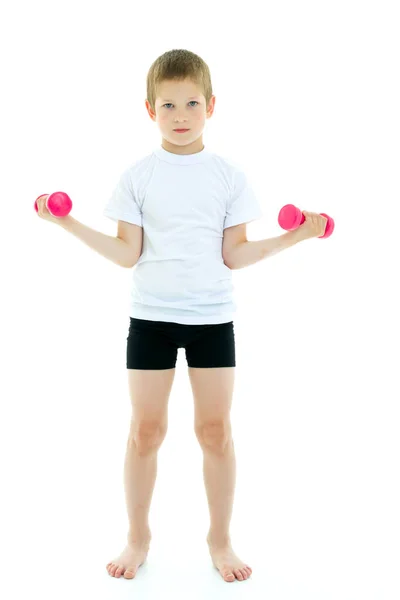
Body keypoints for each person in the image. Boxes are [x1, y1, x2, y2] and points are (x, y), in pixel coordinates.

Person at [35, 49, 327, 583]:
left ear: (211, 105)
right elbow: (128, 254)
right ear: (150, 110)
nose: (180, 113)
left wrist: (298, 235)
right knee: (145, 432)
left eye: (191, 102)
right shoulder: (138, 177)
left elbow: (234, 255)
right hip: (150, 318)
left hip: (212, 319)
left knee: (215, 431)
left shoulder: (229, 176)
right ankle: (138, 537)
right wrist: (66, 224)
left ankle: (220, 540)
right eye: (168, 104)